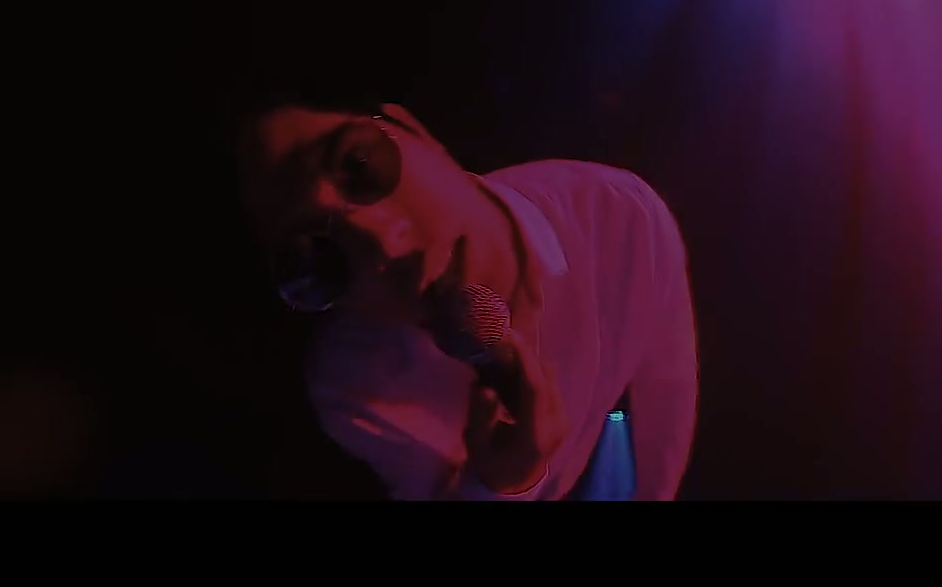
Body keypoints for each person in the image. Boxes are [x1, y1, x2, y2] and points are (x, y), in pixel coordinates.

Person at [236, 95, 697, 500]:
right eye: (316, 260)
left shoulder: (621, 215)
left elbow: (666, 413)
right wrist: (500, 485)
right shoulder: (355, 385)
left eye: (359, 165)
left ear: (412, 128)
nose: (385, 246)